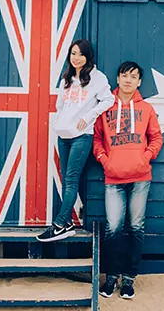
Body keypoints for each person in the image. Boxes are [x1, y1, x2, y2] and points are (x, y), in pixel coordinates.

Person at [92, 61, 163, 300]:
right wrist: (105, 160)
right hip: (113, 177)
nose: (128, 80)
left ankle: (129, 280)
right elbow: (97, 140)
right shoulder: (105, 108)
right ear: (118, 78)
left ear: (139, 81)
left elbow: (156, 138)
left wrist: (146, 157)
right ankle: (111, 277)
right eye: (124, 75)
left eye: (134, 76)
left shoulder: (147, 109)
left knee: (135, 228)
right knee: (112, 228)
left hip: (141, 177)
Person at [37, 39, 114, 242]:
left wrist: (88, 117)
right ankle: (68, 223)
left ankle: (60, 224)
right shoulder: (67, 79)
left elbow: (109, 100)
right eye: (73, 53)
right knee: (66, 181)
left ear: (88, 56)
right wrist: (57, 123)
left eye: (80, 54)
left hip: (82, 137)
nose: (76, 58)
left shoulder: (97, 78)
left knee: (71, 181)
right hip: (64, 136)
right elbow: (59, 105)